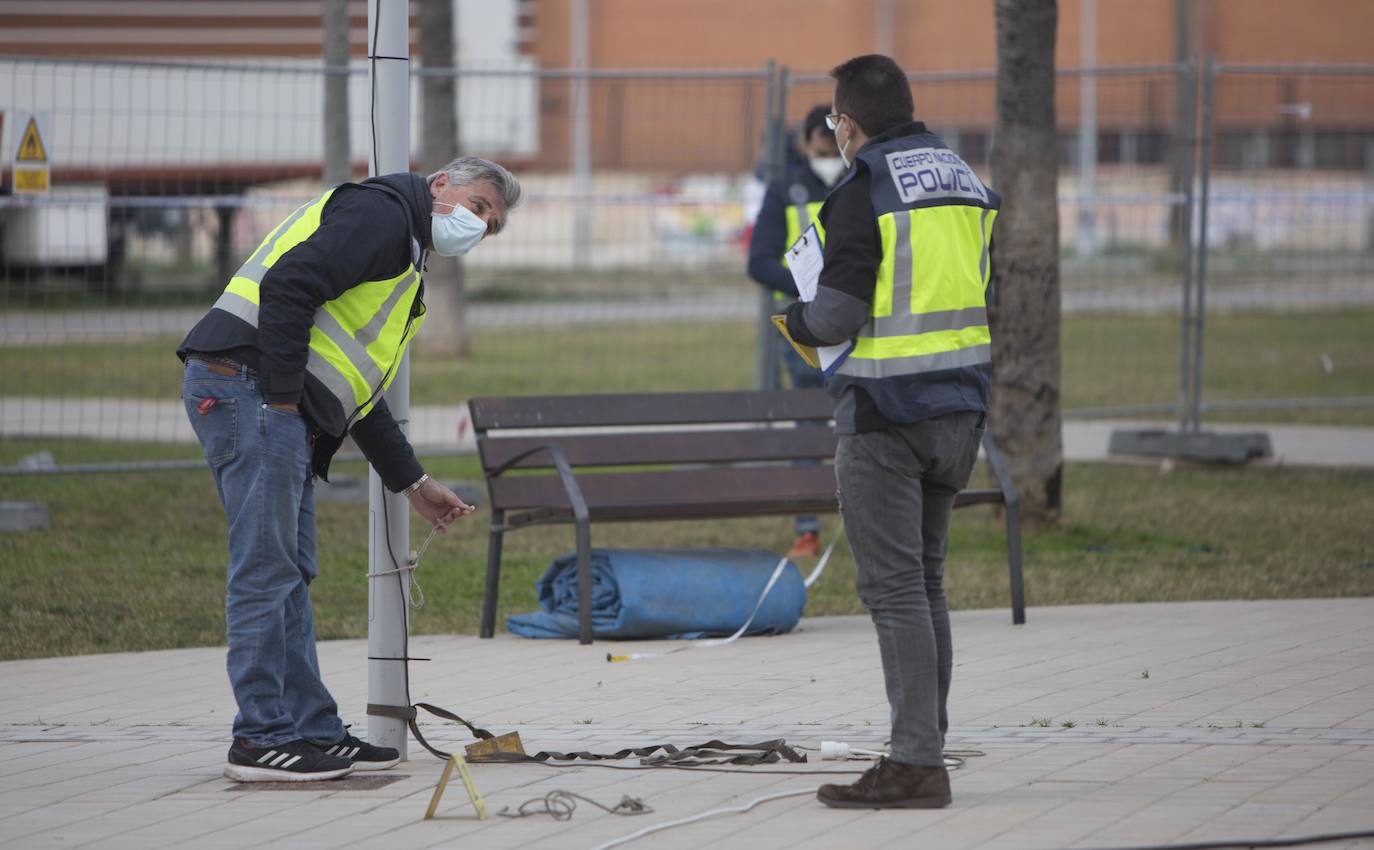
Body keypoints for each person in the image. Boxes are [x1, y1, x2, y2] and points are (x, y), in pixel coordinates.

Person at [177, 156, 521, 783]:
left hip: (269, 398)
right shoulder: (383, 215)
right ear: (440, 183)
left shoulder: (403, 248)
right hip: (251, 390)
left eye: (490, 224)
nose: (479, 225)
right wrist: (281, 402)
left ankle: (310, 728)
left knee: (289, 570)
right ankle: (260, 739)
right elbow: (289, 283)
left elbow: (357, 387)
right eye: (478, 206)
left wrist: (412, 482)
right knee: (266, 567)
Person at [784, 55, 999, 809]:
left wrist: (794, 320)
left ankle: (915, 763)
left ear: (848, 122)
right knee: (926, 584)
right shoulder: (966, 181)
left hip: (884, 416)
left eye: (837, 123)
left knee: (897, 591)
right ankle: (924, 742)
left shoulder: (864, 189)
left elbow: (836, 316)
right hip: (961, 411)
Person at [747, 104, 846, 559]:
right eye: (822, 142)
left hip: (859, 324)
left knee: (859, 427)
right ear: (807, 142)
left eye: (836, 140)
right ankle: (808, 529)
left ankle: (864, 520)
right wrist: (809, 284)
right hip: (806, 327)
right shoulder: (785, 187)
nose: (830, 151)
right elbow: (760, 261)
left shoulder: (860, 180)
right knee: (808, 429)